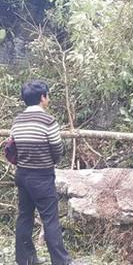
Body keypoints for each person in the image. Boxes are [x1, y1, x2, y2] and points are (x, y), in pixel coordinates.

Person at [11, 80, 73, 265]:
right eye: (47, 95)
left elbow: (14, 146)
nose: (48, 98)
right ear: (42, 98)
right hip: (42, 176)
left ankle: (25, 259)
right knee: (50, 219)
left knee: (24, 216)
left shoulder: (17, 121)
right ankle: (61, 261)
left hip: (22, 174)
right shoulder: (48, 120)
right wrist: (51, 162)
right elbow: (57, 148)